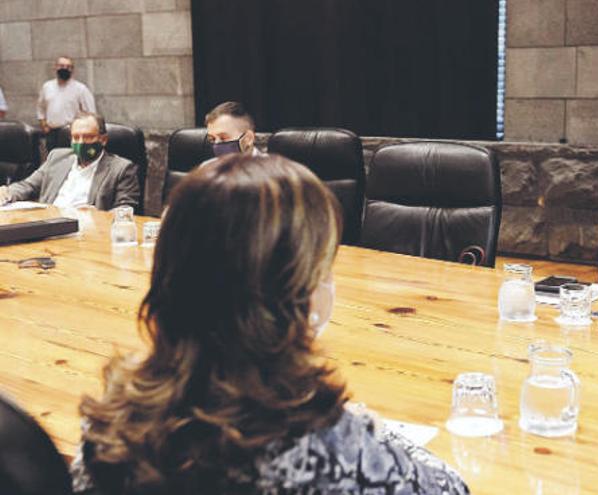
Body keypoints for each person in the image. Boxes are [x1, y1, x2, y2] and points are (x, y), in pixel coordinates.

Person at [69, 154, 469, 494]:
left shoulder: (108, 427)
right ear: (297, 292)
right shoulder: (329, 450)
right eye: (322, 268)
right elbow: (453, 488)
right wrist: (374, 431)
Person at [0, 112, 139, 210]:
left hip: (87, 233)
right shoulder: (57, 157)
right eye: (75, 137)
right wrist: (8, 192)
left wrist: (98, 216)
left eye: (88, 137)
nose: (81, 143)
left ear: (103, 140)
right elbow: (28, 185)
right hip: (49, 226)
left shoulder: (121, 168)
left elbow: (126, 209)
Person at [37, 56, 96, 150]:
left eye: (68, 67)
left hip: (72, 134)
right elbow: (40, 107)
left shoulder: (80, 89)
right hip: (51, 134)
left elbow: (90, 113)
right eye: (61, 66)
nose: (65, 69)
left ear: (72, 70)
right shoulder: (47, 87)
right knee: (53, 160)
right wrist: (43, 124)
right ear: (55, 67)